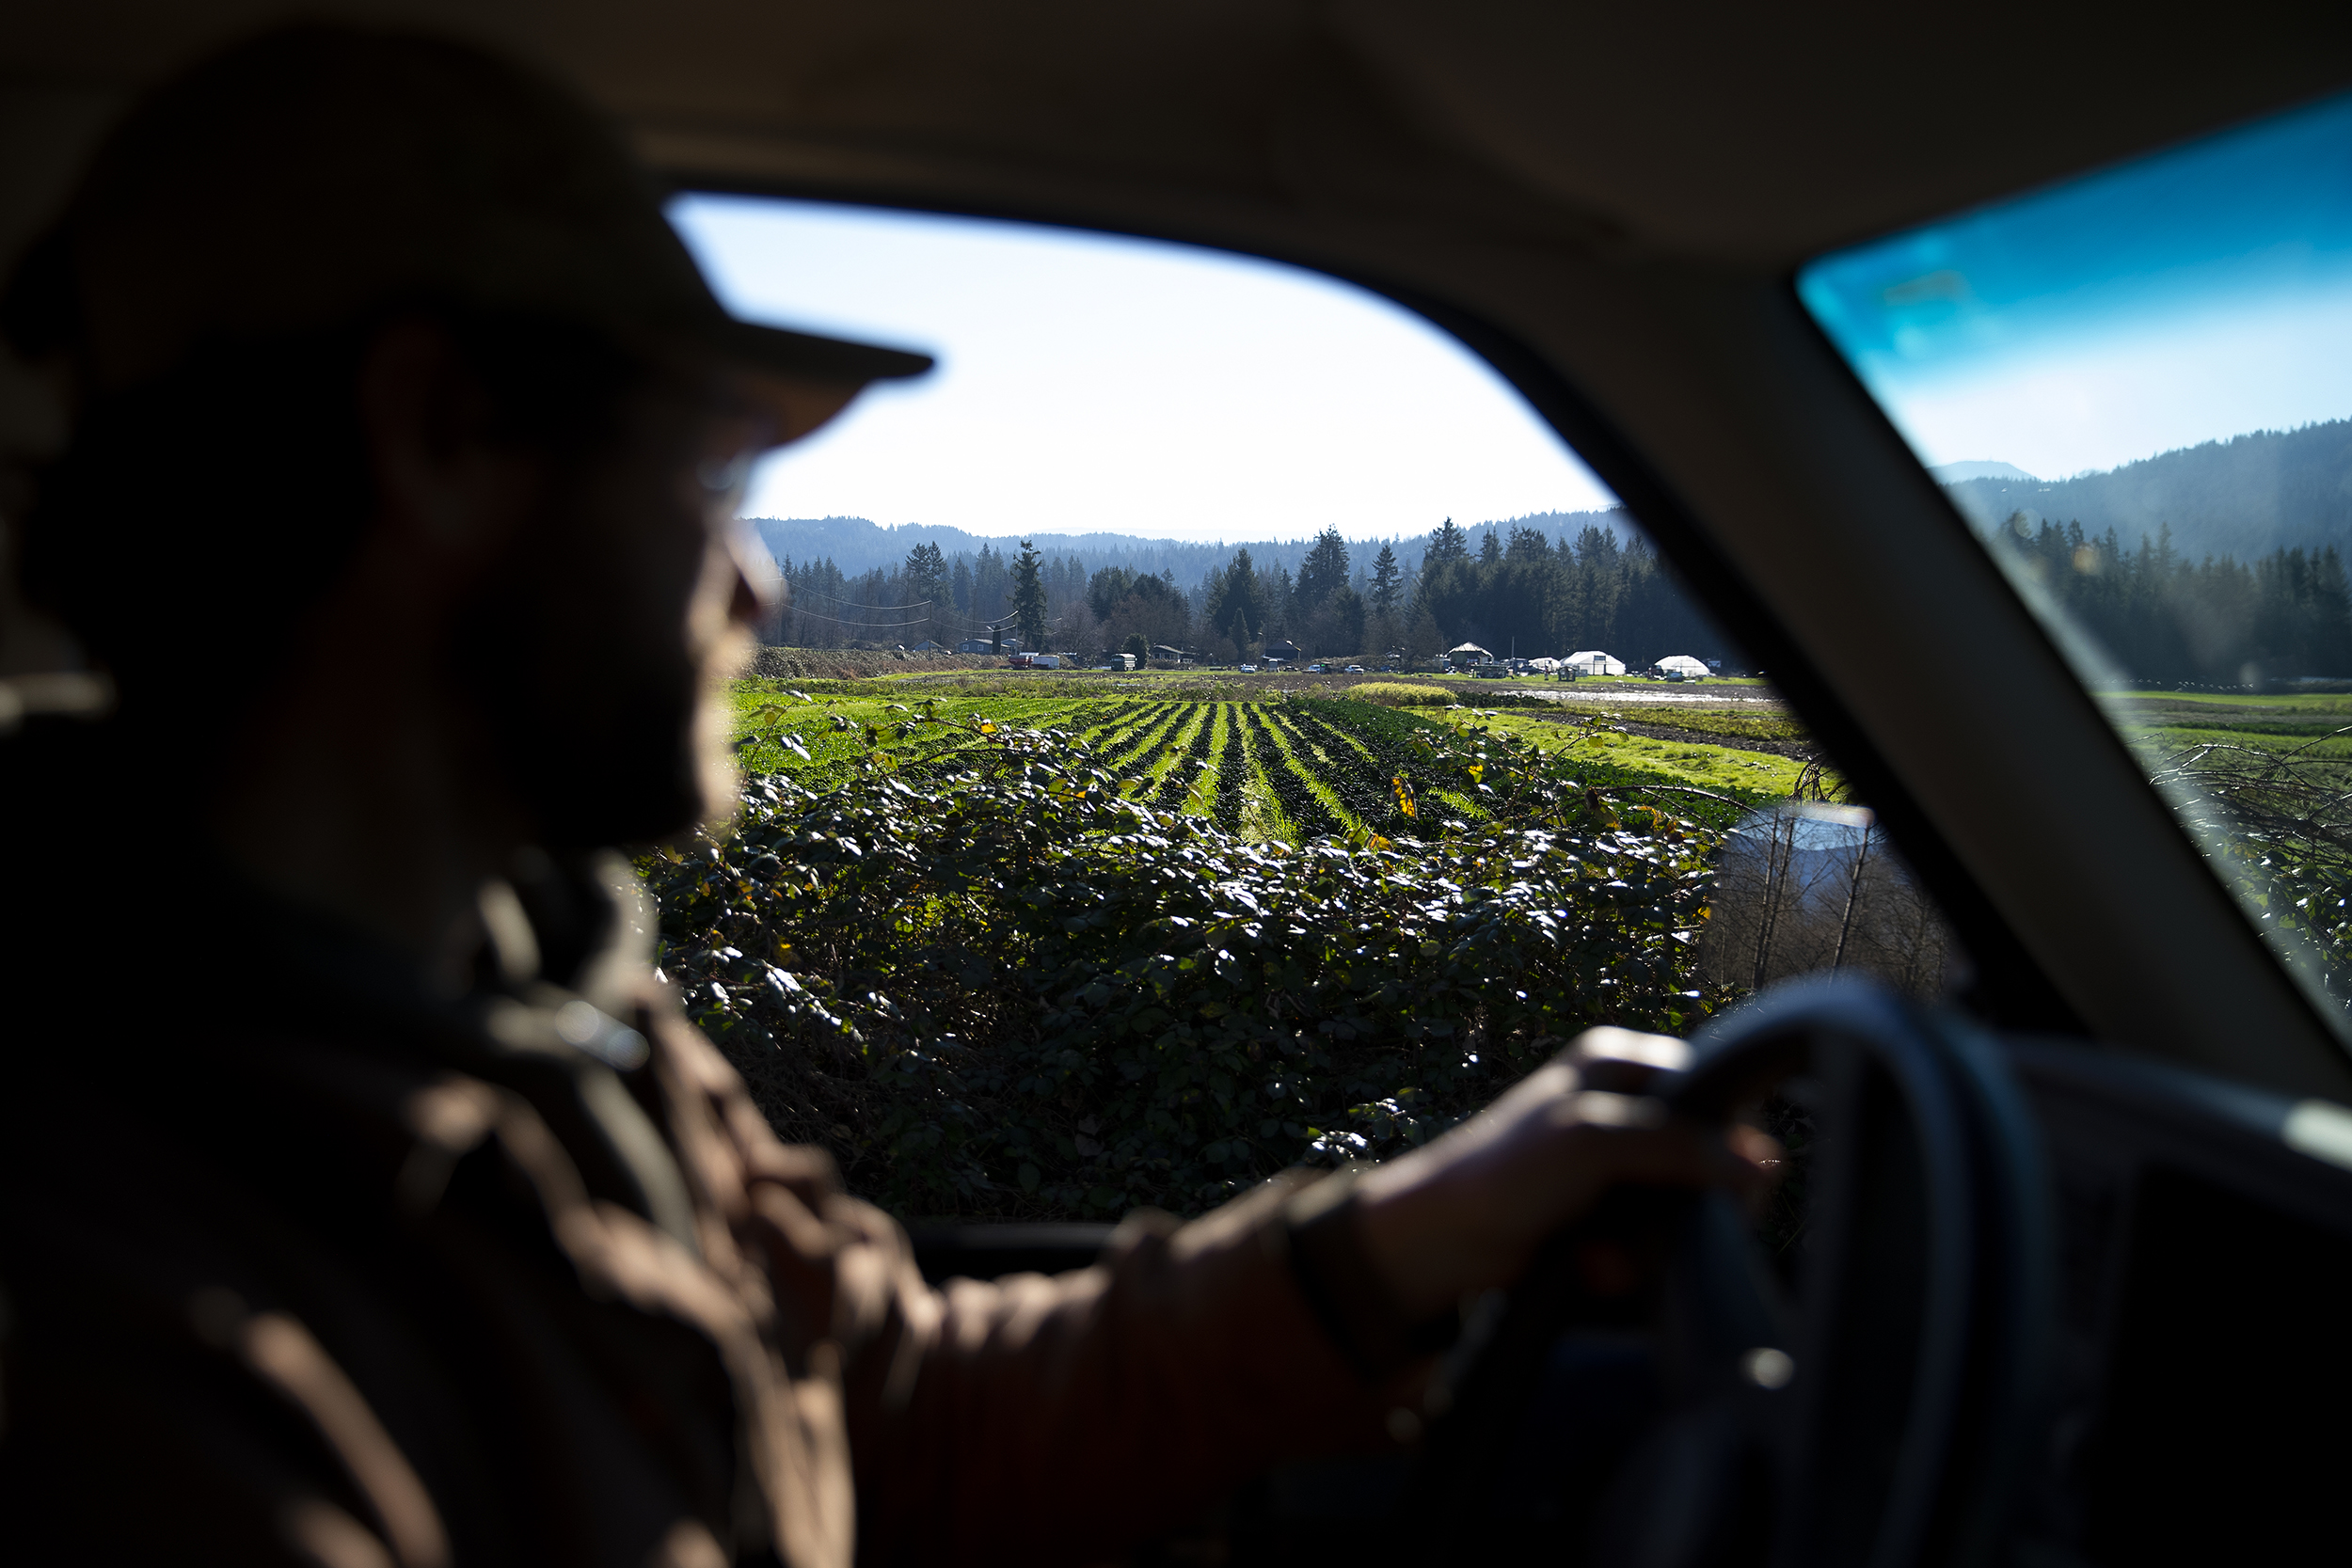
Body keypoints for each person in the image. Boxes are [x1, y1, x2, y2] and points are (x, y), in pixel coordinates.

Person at [0, 25, 1771, 1566]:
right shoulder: (120, 1344)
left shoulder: (538, 1003)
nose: (757, 587)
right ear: (443, 437)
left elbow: (889, 1416)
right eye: (709, 470)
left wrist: (1409, 1235)